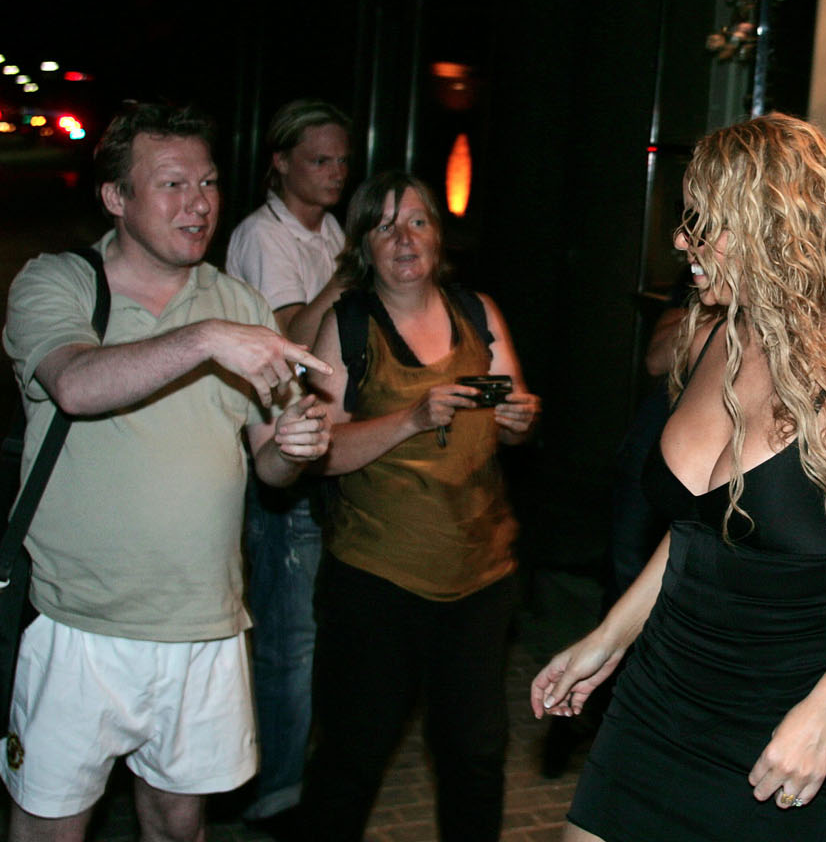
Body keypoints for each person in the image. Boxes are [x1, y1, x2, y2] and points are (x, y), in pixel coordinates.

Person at [531, 113, 826, 842]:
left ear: (773, 226)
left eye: (701, 223)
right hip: (655, 701)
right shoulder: (713, 337)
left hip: (782, 719)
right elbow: (701, 529)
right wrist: (608, 638)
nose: (680, 242)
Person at [1, 100, 332, 842]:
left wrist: (293, 447)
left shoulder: (239, 302)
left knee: (179, 825)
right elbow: (75, 384)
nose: (200, 203)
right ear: (116, 197)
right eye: (173, 184)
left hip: (205, 624)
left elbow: (270, 467)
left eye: (208, 182)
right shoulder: (56, 282)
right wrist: (206, 338)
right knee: (49, 827)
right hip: (79, 623)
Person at [298, 170, 541, 842]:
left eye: (417, 221)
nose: (404, 239)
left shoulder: (478, 312)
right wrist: (410, 418)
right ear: (364, 246)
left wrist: (520, 420)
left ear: (438, 235)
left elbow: (513, 420)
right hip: (377, 580)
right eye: (385, 226)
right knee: (351, 758)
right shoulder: (348, 326)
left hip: (479, 576)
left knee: (475, 755)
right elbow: (319, 454)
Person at [225, 98, 352, 832]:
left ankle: (293, 775)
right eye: (319, 160)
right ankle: (273, 792)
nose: (335, 173)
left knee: (312, 628)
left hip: (323, 442)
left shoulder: (327, 229)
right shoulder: (261, 237)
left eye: (341, 160)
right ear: (279, 163)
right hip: (276, 445)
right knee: (286, 637)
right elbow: (284, 340)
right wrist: (348, 276)